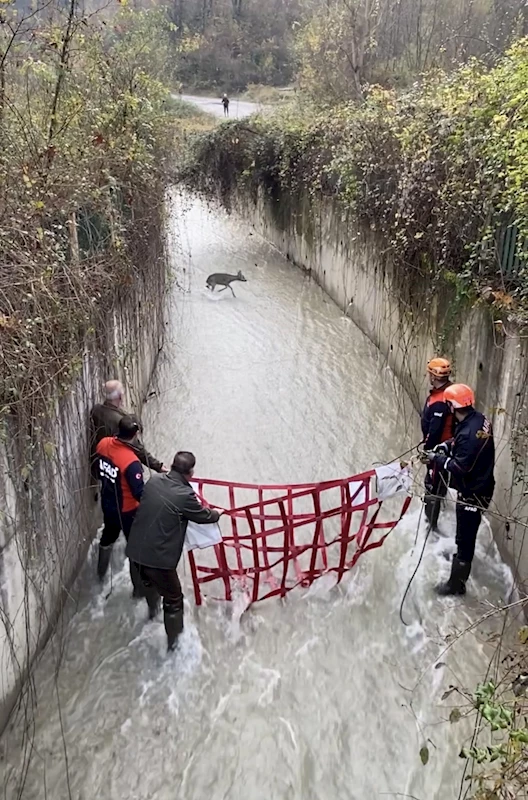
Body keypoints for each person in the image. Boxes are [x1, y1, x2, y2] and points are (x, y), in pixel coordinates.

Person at [126, 451, 221, 651]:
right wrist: (216, 514)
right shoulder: (185, 495)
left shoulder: (153, 481)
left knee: (149, 585)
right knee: (174, 599)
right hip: (159, 561)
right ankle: (173, 646)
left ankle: (151, 615)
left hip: (134, 551)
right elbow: (204, 516)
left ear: (172, 465)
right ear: (191, 473)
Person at [423, 384, 495, 596]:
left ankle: (456, 586)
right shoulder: (478, 419)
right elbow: (461, 441)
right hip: (482, 485)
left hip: (473, 494)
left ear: (452, 406)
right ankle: (458, 563)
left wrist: (438, 458)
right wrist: (448, 446)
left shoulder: (470, 433)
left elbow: (459, 467)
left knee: (465, 539)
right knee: (465, 533)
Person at [95, 416, 145, 594]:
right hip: (128, 511)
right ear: (135, 434)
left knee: (108, 537)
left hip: (108, 503)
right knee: (135, 548)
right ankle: (138, 591)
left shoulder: (103, 443)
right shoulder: (131, 462)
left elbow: (96, 469)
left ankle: (100, 576)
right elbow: (139, 493)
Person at [90, 380, 166, 481]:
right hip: (117, 466)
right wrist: (157, 466)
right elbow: (137, 448)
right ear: (120, 397)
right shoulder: (120, 422)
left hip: (101, 463)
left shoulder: (96, 410)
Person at [421, 357, 454, 530]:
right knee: (440, 482)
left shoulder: (439, 402)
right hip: (448, 447)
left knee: (432, 485)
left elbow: (434, 432)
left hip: (438, 450)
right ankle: (436, 511)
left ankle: (430, 526)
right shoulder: (450, 392)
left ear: (433, 376)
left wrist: (427, 452)